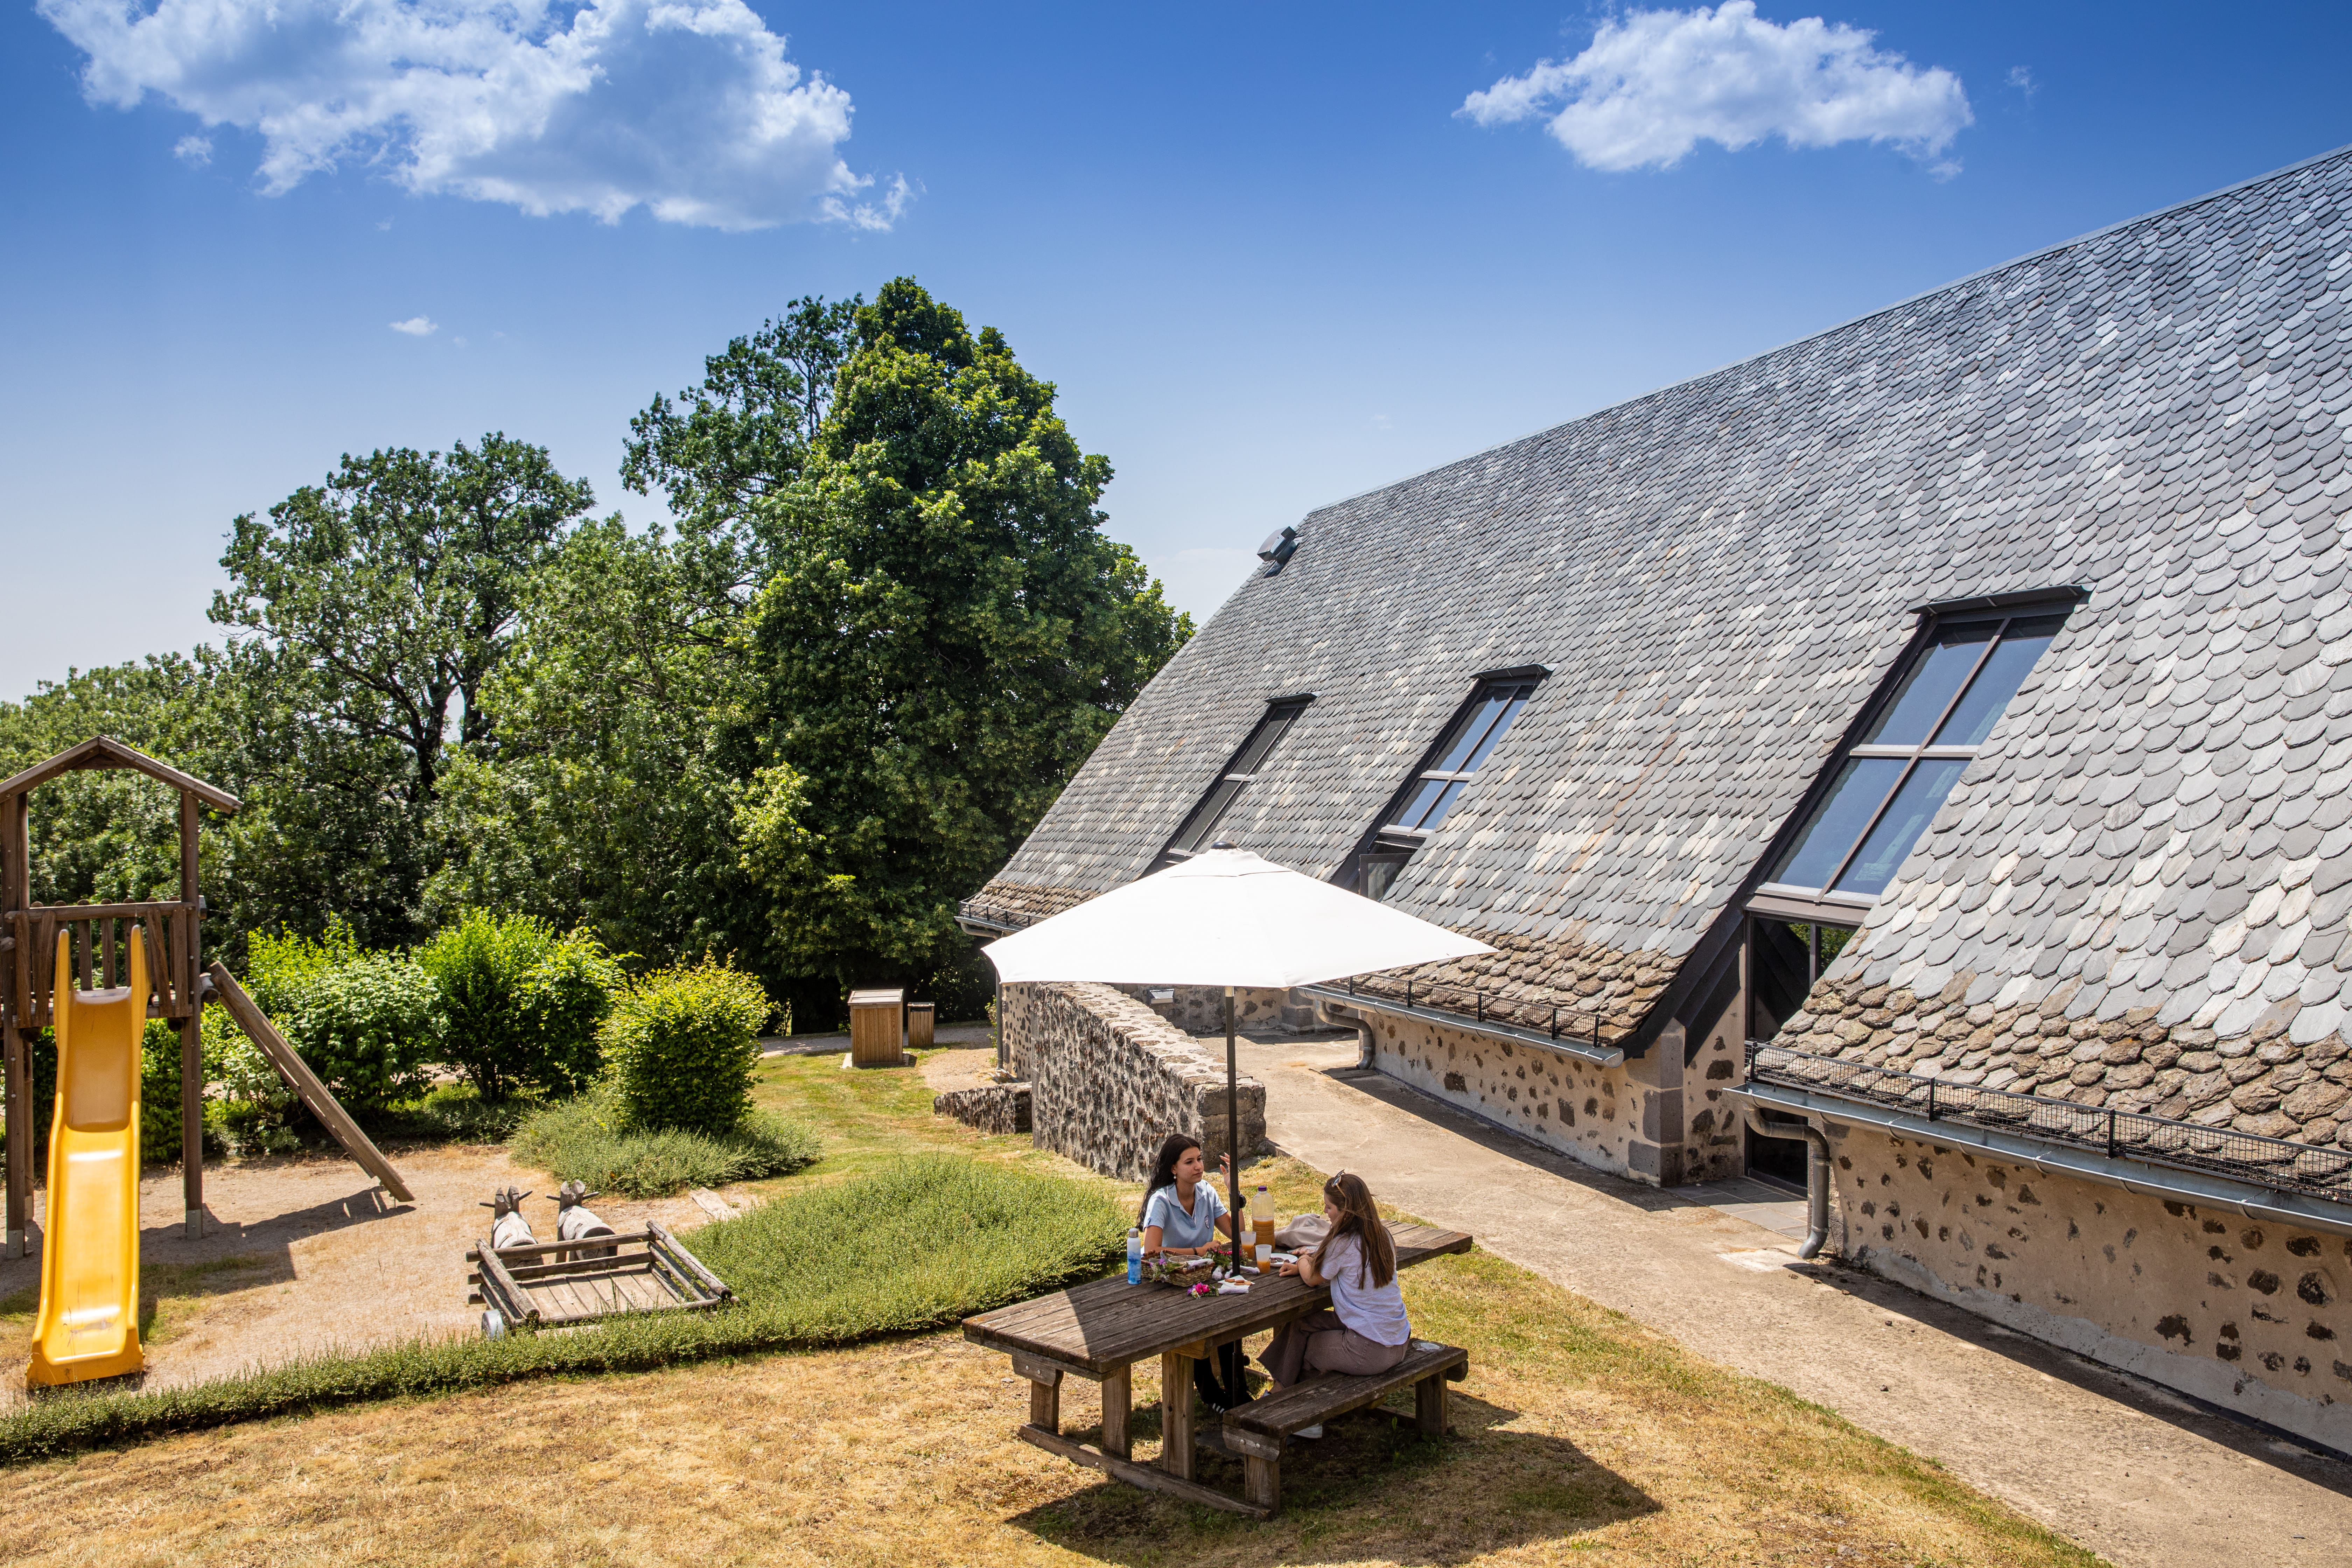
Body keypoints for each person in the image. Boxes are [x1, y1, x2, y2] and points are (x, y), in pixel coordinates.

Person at [1258, 1171, 1410, 1435]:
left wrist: (1304, 1258)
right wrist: (1312, 1263)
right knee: (1302, 1324)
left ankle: (1301, 1416)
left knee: (1304, 1349)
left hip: (1372, 1350)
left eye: (1329, 1207)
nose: (1325, 1212)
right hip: (1396, 1338)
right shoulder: (1383, 1236)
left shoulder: (1343, 1242)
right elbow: (1342, 1268)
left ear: (1345, 1211)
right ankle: (1279, 1393)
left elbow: (1313, 1278)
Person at [1140, 1132, 1253, 1411]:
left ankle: (1237, 1391)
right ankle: (1211, 1394)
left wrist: (1233, 1191)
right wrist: (1197, 1252)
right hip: (1169, 1285)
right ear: (1174, 1169)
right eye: (1189, 1162)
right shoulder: (1161, 1202)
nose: (1199, 1166)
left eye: (1200, 1159)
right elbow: (1151, 1252)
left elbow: (1237, 1234)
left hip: (1203, 1279)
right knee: (1196, 1325)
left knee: (1229, 1318)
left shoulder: (1207, 1193)